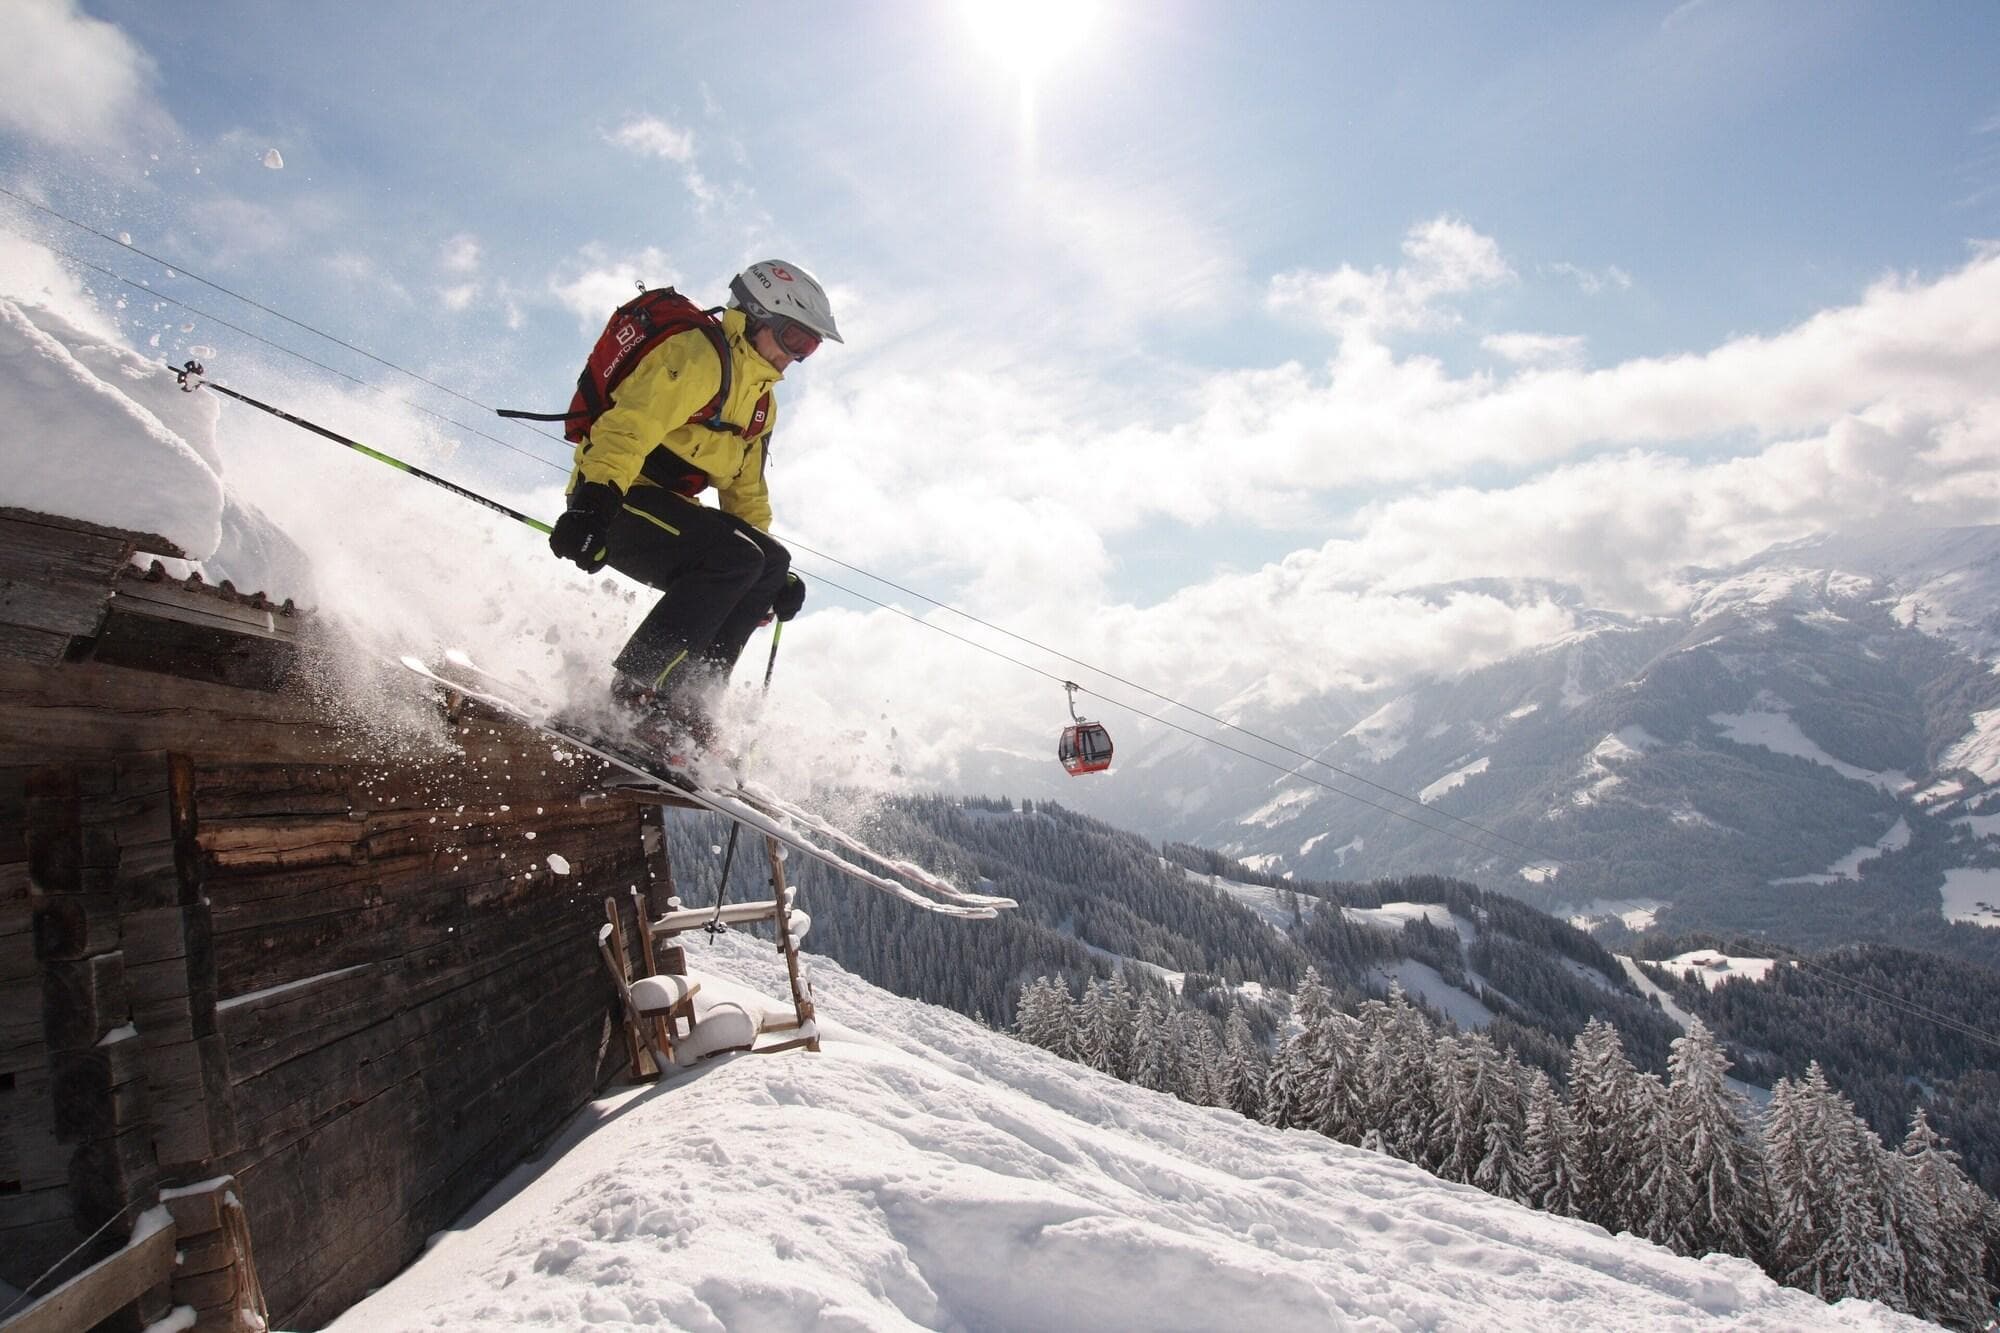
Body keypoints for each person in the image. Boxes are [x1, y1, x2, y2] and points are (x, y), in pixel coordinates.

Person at [546, 259, 840, 752]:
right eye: (794, 338)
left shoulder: (761, 403)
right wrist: (590, 508)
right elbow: (628, 428)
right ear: (755, 316)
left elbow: (746, 495)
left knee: (766, 562)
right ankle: (630, 701)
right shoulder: (698, 357)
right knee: (735, 559)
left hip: (663, 512)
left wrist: (774, 579)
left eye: (809, 347)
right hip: (611, 500)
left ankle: (688, 706)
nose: (798, 356)